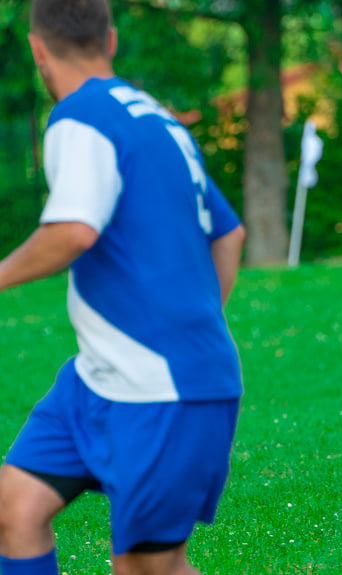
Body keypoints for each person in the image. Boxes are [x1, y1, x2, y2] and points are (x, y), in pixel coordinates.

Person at [0, 1, 246, 573]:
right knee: (17, 505)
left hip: (161, 391)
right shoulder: (156, 118)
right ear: (109, 40)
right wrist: (200, 322)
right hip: (95, 380)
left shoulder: (78, 116)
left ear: (38, 49)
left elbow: (73, 231)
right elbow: (229, 235)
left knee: (145, 568)